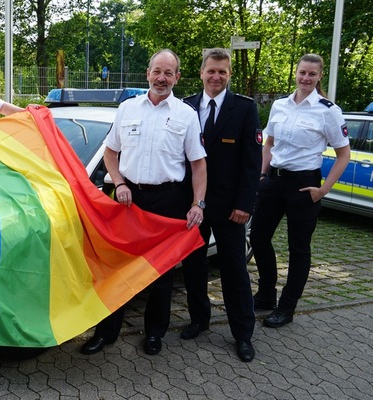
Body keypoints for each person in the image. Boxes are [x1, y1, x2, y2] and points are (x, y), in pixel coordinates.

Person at [80, 49, 207, 356]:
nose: (161, 78)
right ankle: (106, 333)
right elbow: (110, 152)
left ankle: (154, 334)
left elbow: (198, 164)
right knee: (118, 267)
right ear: (148, 73)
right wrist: (120, 183)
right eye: (157, 71)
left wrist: (198, 204)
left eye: (168, 73)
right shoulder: (127, 109)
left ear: (177, 77)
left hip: (169, 201)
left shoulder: (186, 115)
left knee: (161, 273)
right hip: (129, 200)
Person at [250, 53, 350, 329]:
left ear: (319, 77)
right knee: (258, 238)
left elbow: (344, 154)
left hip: (304, 185)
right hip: (274, 181)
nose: (306, 78)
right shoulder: (280, 105)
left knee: (298, 249)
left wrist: (323, 190)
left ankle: (287, 307)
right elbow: (269, 143)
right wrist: (262, 175)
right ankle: (266, 294)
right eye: (302, 72)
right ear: (295, 73)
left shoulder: (328, 111)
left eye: (312, 74)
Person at [180, 48, 262, 362]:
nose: (216, 77)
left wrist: (245, 204)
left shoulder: (244, 108)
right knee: (193, 265)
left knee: (234, 270)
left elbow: (252, 162)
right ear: (201, 72)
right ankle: (199, 319)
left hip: (230, 208)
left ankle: (243, 334)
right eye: (211, 71)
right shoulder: (185, 105)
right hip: (193, 204)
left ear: (229, 75)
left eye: (222, 72)